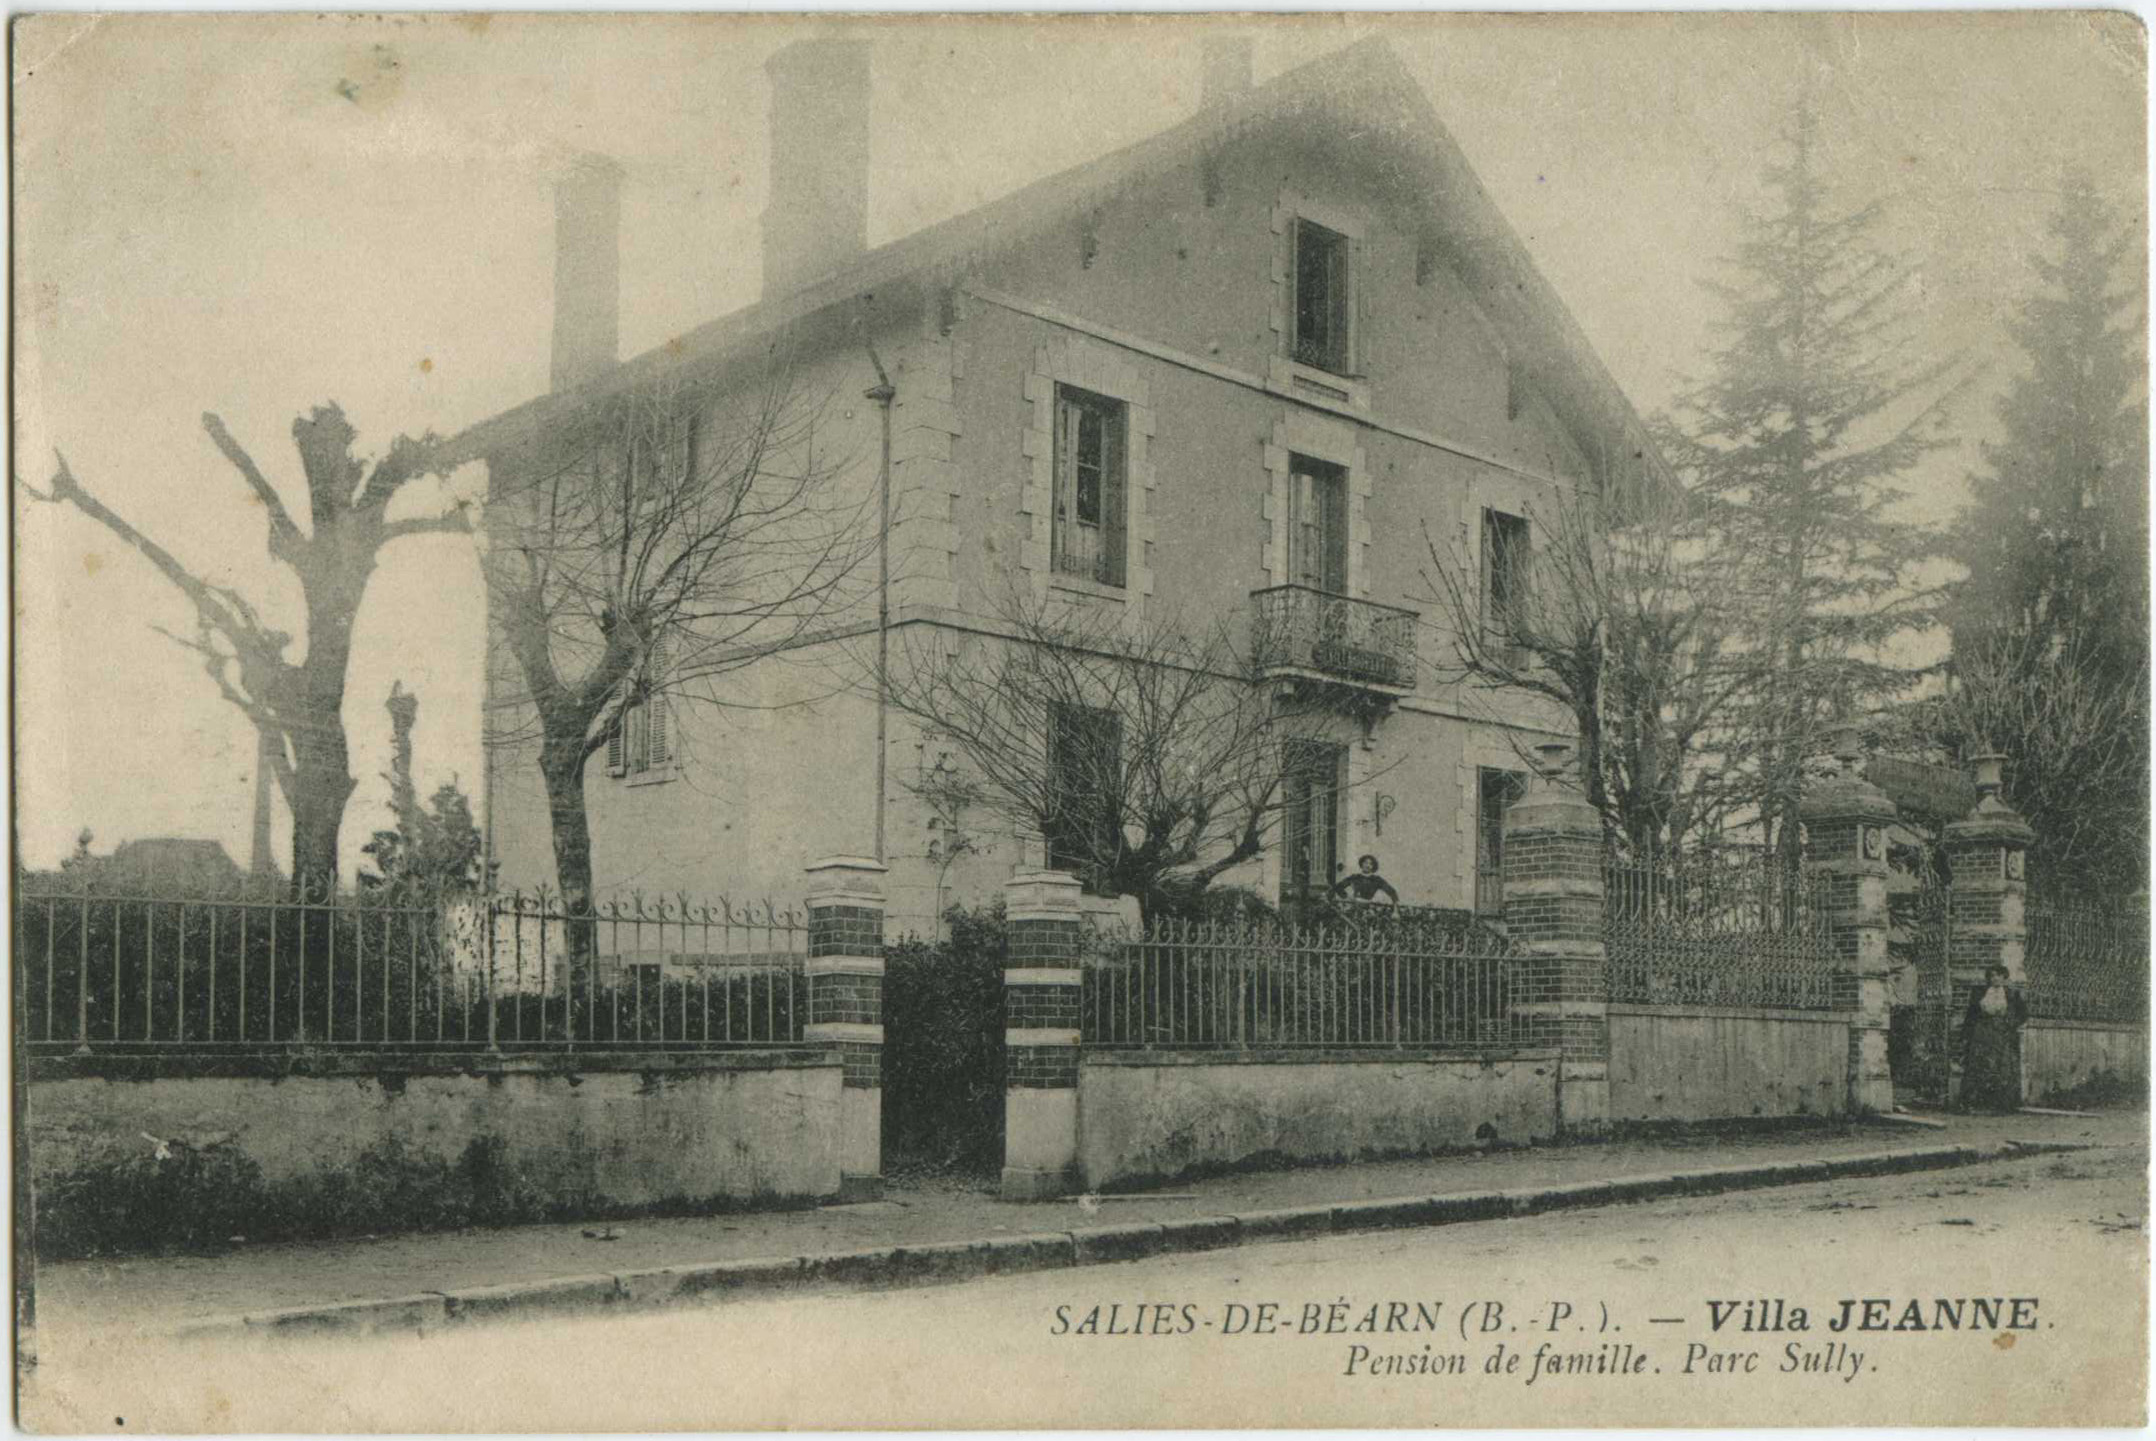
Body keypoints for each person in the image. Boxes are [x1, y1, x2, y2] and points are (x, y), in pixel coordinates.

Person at [1959, 963, 2028, 1114]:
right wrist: (1965, 1035)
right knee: (1977, 1067)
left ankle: (2001, 1106)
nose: (1995, 978)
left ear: (2004, 977)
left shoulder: (2012, 994)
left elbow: (2023, 1014)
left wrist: (2010, 1025)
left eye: (1998, 975)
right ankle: (1970, 1104)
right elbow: (1971, 1015)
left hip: (2002, 1034)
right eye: (1991, 976)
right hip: (1982, 1034)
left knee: (2002, 1069)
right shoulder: (1980, 992)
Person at [1331, 853, 1399, 906]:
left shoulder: (1376, 880)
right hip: (1354, 907)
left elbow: (1392, 892)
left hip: (1369, 908)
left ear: (1373, 867)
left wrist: (1395, 910)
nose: (1368, 865)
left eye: (1371, 864)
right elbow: (1338, 887)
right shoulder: (1355, 877)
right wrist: (1348, 897)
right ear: (1361, 864)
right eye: (1365, 863)